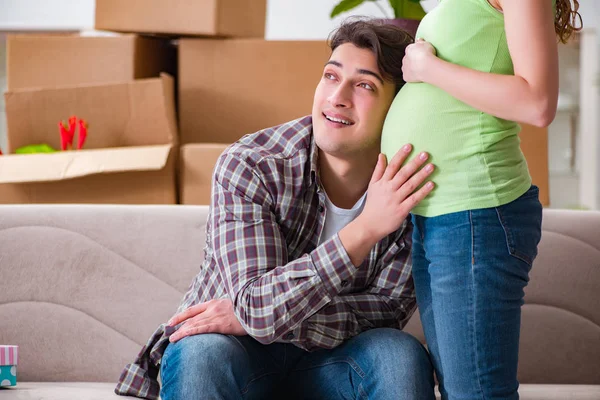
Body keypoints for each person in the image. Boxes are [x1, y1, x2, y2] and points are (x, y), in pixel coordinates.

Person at [115, 19, 437, 400]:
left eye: (364, 85)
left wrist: (262, 314)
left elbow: (383, 312)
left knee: (398, 354)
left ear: (400, 108)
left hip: (333, 364)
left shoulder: (414, 190)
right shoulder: (252, 164)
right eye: (331, 77)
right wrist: (365, 229)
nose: (337, 97)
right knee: (202, 353)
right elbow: (256, 304)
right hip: (232, 355)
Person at [380, 1, 583, 399]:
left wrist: (428, 69)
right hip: (443, 213)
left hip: (475, 210)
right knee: (462, 390)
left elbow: (537, 103)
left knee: (477, 392)